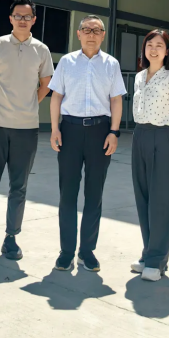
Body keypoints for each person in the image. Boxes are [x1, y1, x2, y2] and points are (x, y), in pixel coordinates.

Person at [0, 0, 54, 262]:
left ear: (34, 20)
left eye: (27, 16)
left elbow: (46, 84)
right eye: (18, 16)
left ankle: (11, 238)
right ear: (10, 19)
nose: (22, 20)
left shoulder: (41, 50)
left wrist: (28, 104)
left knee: (19, 187)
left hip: (26, 128)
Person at [49, 15, 126, 273]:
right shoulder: (67, 62)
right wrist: (55, 128)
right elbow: (56, 96)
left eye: (96, 30)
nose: (91, 34)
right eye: (86, 29)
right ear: (78, 34)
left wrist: (114, 132)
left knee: (94, 194)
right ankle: (66, 252)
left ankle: (87, 251)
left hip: (100, 132)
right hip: (69, 131)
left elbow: (116, 100)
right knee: (67, 194)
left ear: (103, 35)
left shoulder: (111, 64)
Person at [130, 29, 169, 282]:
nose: (153, 49)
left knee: (161, 200)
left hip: (163, 137)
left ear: (167, 51)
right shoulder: (139, 78)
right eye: (149, 45)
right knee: (143, 197)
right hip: (140, 135)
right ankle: (147, 253)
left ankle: (157, 260)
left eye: (159, 46)